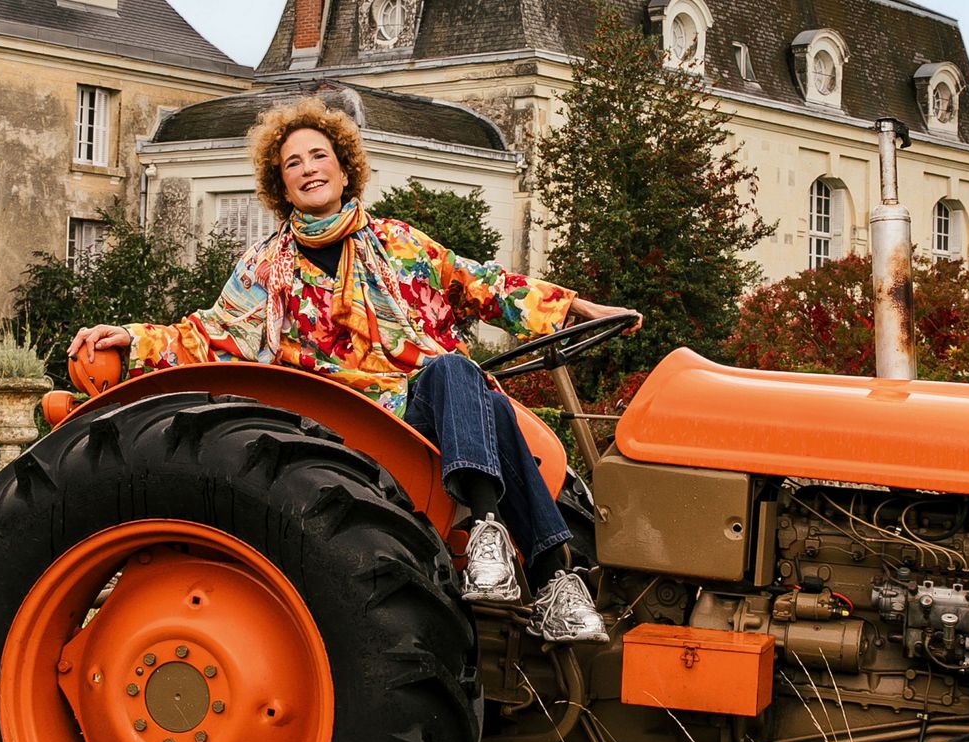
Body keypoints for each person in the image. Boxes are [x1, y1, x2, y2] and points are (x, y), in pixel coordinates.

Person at [70, 95, 640, 643]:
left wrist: (578, 307)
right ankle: (551, 576)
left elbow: (484, 284)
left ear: (345, 172)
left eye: (319, 156)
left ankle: (503, 547)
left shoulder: (397, 244)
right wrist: (134, 338)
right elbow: (211, 333)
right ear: (281, 185)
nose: (307, 169)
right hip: (354, 424)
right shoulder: (266, 267)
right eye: (292, 162)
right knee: (471, 387)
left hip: (423, 405)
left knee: (459, 377)